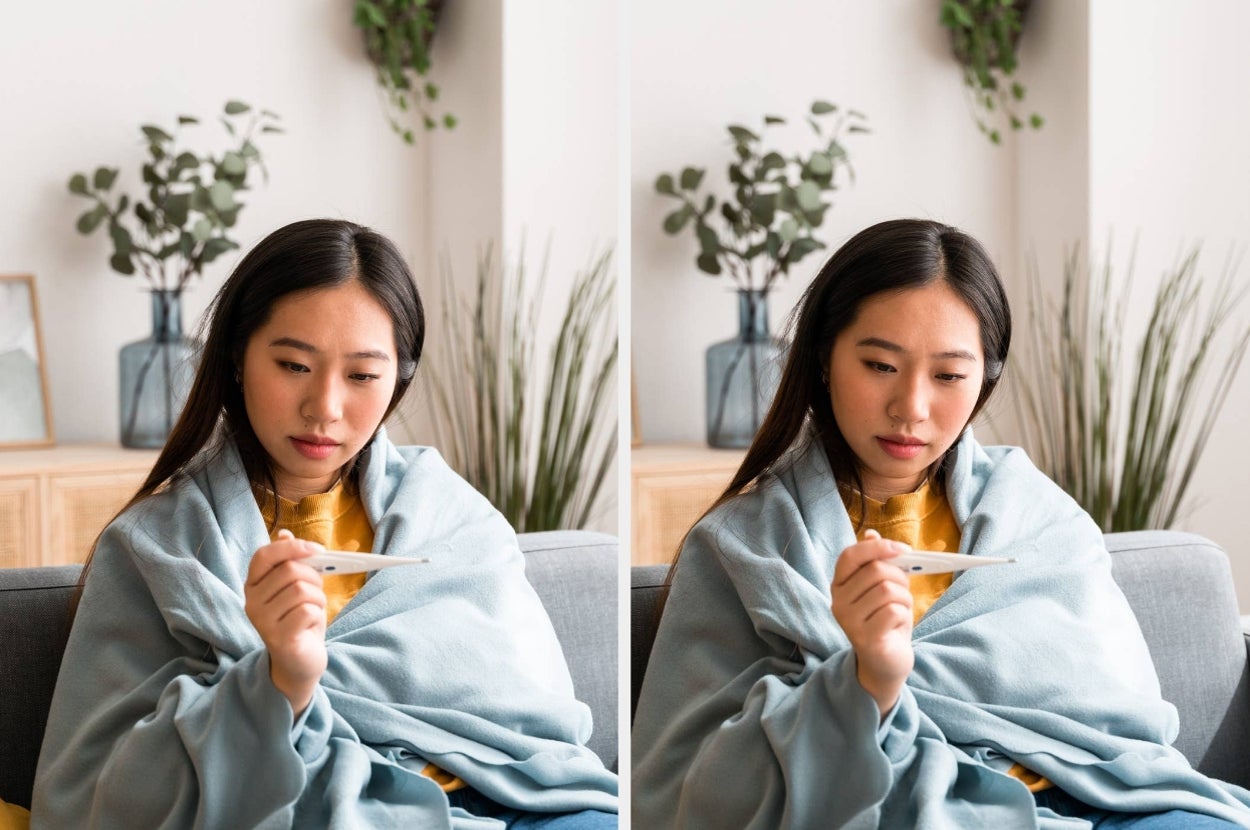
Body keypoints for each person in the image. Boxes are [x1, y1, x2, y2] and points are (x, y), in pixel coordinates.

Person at [631, 218, 1250, 829]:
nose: (912, 408)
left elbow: (1131, 729)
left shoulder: (1039, 515)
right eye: (879, 366)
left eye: (950, 375)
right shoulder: (743, 546)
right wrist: (866, 682)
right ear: (823, 358)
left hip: (1107, 805)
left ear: (986, 379)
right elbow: (687, 793)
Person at [32, 219, 618, 829]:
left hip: (525, 806)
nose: (325, 408)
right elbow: (101, 792)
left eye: (362, 375)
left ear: (398, 378)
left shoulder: (453, 512)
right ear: (236, 359)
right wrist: (280, 682)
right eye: (292, 365)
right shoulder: (157, 546)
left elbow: (548, 728)